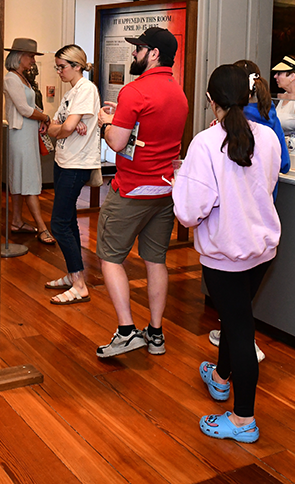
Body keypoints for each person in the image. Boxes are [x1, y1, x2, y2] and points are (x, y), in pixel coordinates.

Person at [173, 65, 282, 443]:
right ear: (250, 96)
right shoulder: (267, 137)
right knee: (236, 319)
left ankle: (243, 420)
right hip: (261, 249)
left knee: (239, 330)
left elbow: (189, 212)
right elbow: (265, 186)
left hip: (223, 253)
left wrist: (178, 184)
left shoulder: (205, 143)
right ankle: (220, 378)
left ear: (210, 100)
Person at [94, 26, 188, 358]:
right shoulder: (178, 92)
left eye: (139, 48)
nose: (133, 54)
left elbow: (118, 142)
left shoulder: (134, 91)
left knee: (109, 257)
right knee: (155, 260)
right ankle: (156, 333)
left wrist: (107, 121)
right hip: (164, 190)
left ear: (153, 53)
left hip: (132, 189)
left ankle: (126, 331)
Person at [206, 59, 289, 363]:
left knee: (238, 323)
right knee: (238, 312)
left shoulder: (212, 138)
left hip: (231, 237)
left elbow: (194, 209)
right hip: (261, 230)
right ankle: (221, 373)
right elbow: (280, 166)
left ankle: (242, 408)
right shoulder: (267, 124)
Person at [44, 45, 101, 305]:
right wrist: (61, 127)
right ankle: (73, 274)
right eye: (57, 67)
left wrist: (62, 127)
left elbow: (61, 127)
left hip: (76, 164)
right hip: (64, 161)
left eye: (62, 67)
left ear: (77, 66)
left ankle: (79, 284)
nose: (58, 72)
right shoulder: (72, 93)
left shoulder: (87, 90)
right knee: (67, 221)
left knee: (58, 223)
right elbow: (53, 125)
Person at [3, 38, 55, 244]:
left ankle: (16, 221)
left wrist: (42, 118)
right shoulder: (11, 79)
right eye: (31, 56)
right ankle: (42, 227)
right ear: (19, 57)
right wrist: (45, 118)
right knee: (29, 180)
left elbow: (30, 106)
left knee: (20, 177)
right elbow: (24, 110)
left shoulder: (21, 78)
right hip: (20, 134)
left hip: (27, 133)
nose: (33, 60)